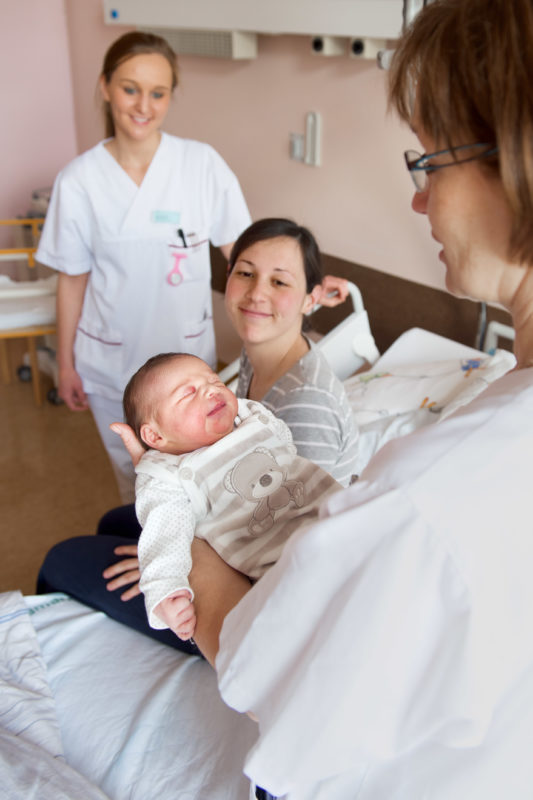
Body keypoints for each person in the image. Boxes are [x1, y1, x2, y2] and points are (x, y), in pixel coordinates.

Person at [174, 0, 533, 796]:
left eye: (429, 162)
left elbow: (268, 661)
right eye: (242, 275)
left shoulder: (423, 495)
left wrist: (179, 536)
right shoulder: (230, 381)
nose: (417, 201)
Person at [37, 218, 356, 650]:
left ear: (311, 298)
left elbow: (292, 543)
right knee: (114, 521)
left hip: (266, 587)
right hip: (230, 522)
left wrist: (171, 570)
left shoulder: (305, 406)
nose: (257, 293)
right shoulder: (256, 359)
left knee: (62, 559)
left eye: (280, 281)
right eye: (245, 272)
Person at [36, 31, 252, 503]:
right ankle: (148, 562)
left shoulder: (201, 165)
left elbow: (242, 256)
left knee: (199, 475)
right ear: (105, 86)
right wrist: (66, 363)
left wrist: (298, 289)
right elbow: (72, 281)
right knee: (134, 475)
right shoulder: (79, 181)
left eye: (158, 93)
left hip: (186, 362)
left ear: (171, 95)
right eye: (130, 88)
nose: (143, 105)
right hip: (110, 360)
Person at [123, 352, 340, 641]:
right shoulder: (170, 478)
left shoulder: (250, 417)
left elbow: (285, 448)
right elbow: (165, 534)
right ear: (155, 437)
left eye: (214, 380)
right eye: (188, 393)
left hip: (338, 515)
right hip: (288, 562)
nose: (212, 389)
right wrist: (166, 587)